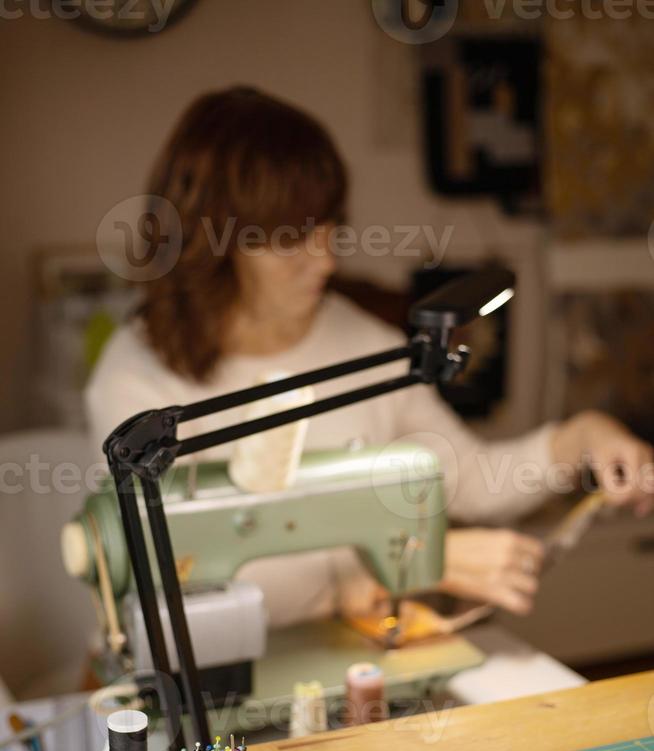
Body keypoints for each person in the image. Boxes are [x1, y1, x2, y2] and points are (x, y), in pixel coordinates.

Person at [86, 88, 653, 627]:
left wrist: (581, 439)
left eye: (329, 228)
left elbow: (474, 482)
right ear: (212, 246)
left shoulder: (362, 343)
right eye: (291, 239)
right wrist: (417, 563)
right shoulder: (137, 384)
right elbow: (179, 586)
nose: (326, 260)